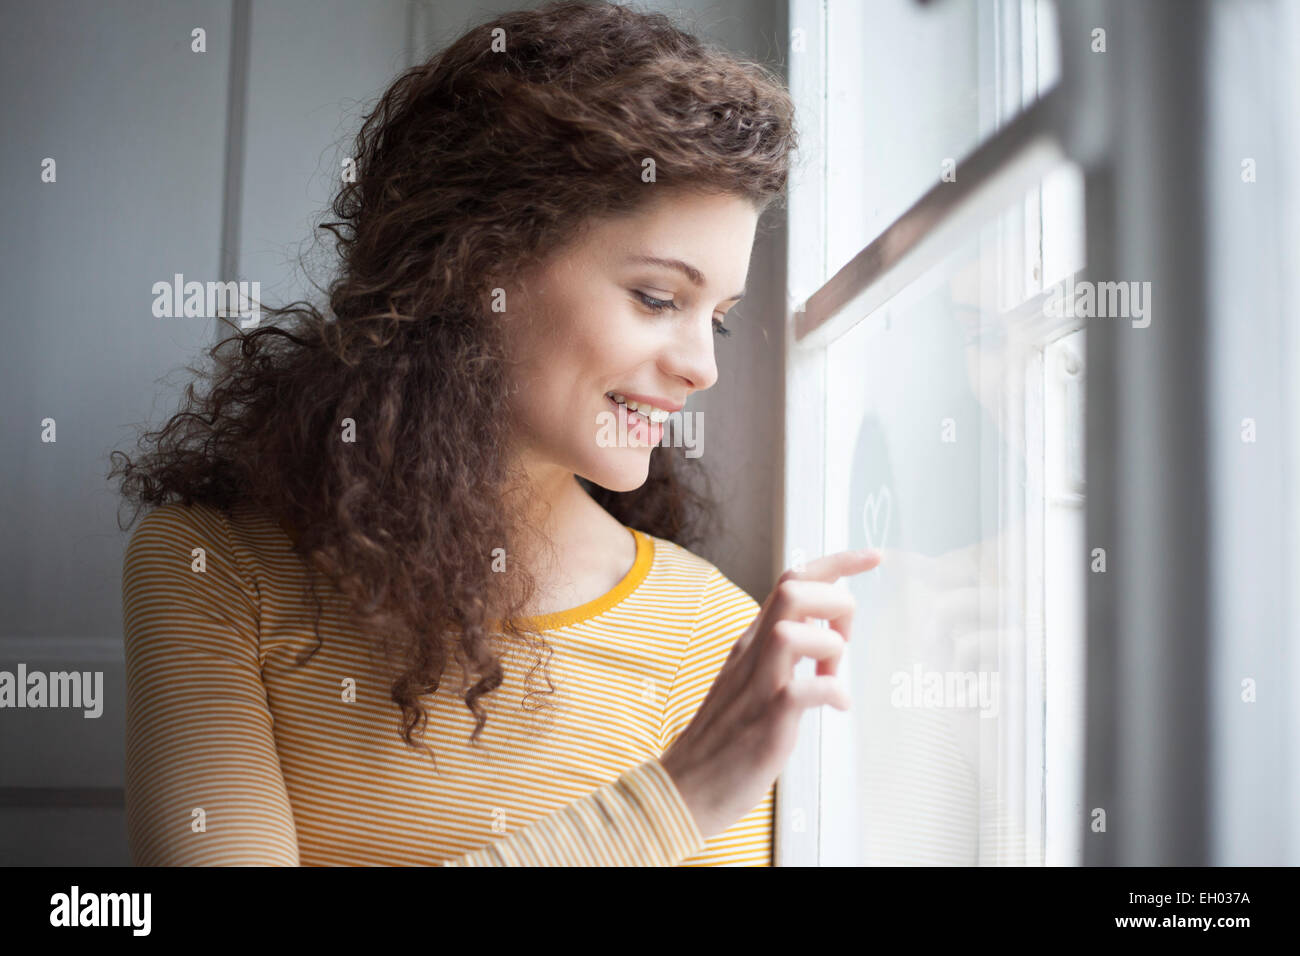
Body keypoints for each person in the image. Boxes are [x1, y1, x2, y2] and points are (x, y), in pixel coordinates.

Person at [111, 0, 880, 866]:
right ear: (478, 265)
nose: (702, 366)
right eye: (659, 299)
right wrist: (678, 801)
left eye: (722, 319)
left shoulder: (718, 638)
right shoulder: (215, 569)